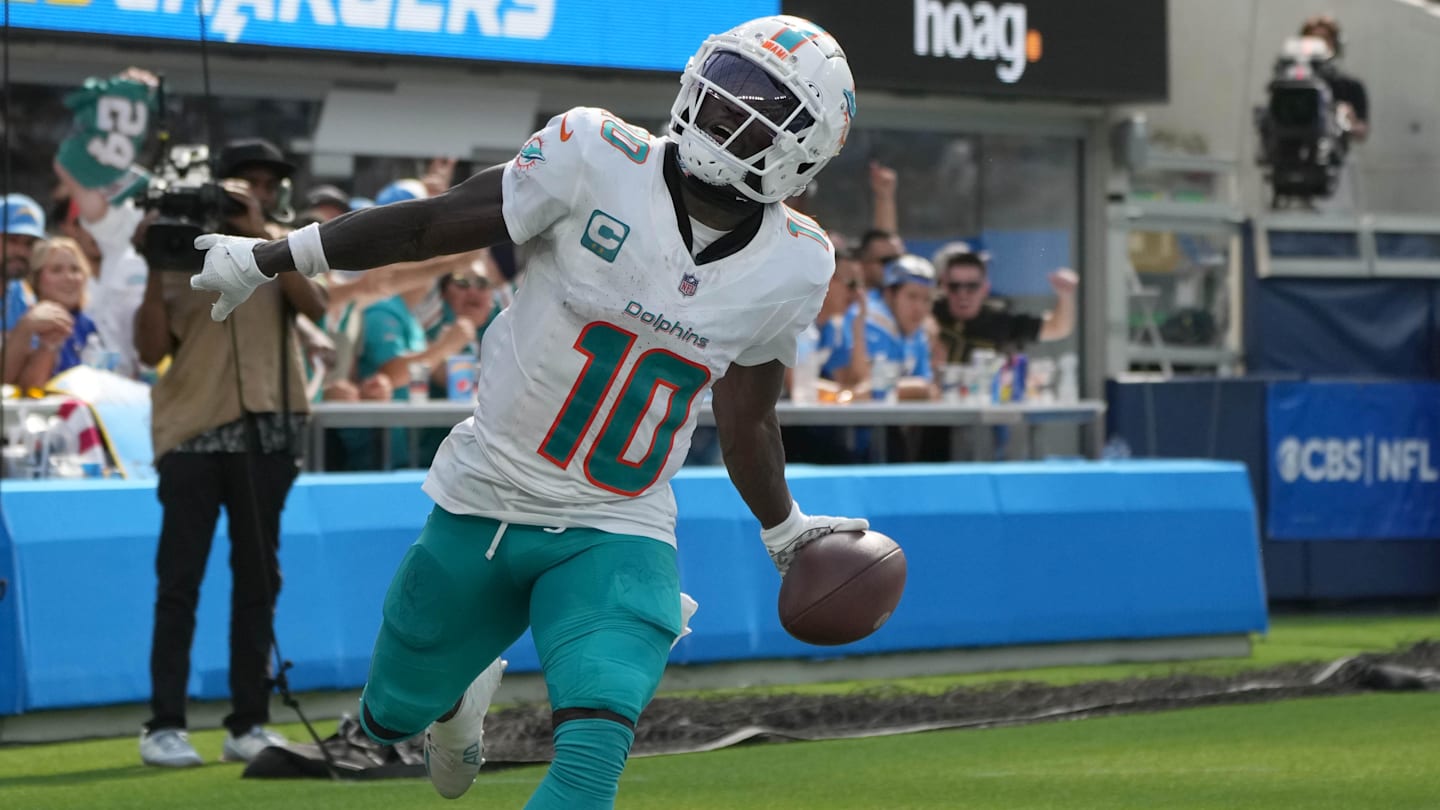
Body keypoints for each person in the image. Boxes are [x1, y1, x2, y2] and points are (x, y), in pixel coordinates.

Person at [190, 14, 869, 808]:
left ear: (805, 144)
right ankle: (452, 700)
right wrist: (271, 255)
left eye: (764, 99)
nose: (729, 103)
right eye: (727, 78)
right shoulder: (595, 154)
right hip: (486, 493)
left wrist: (785, 529)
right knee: (393, 708)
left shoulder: (798, 260)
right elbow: (428, 222)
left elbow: (748, 411)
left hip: (618, 521)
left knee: (591, 753)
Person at [134, 136, 328, 768]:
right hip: (192, 429)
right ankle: (164, 723)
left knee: (258, 579)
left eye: (269, 185)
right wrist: (151, 263)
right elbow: (148, 348)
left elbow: (316, 305)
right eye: (248, 182)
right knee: (179, 579)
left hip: (265, 432)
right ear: (220, 187)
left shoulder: (282, 243)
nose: (260, 192)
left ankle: (249, 721)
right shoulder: (181, 245)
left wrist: (263, 237)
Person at [930, 248, 1078, 367]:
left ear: (985, 288)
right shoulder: (929, 314)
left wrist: (1065, 295)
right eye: (954, 286)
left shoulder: (1000, 321)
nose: (963, 294)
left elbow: (1059, 328)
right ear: (943, 286)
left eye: (972, 286)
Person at [2, 237, 102, 389]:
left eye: (75, 269)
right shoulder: (23, 320)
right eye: (56, 270)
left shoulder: (89, 324)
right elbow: (29, 389)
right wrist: (47, 346)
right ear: (36, 279)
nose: (69, 278)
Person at [1299, 14, 1368, 143]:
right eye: (1312, 38)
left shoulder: (1350, 86)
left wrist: (1350, 122)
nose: (1317, 44)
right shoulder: (1292, 82)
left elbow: (1362, 131)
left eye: (1324, 38)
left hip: (1333, 158)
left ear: (1335, 44)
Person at [1, 193, 46, 333]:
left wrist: (50, 345)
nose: (21, 252)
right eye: (13, 240)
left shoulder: (21, 292)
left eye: (29, 243)